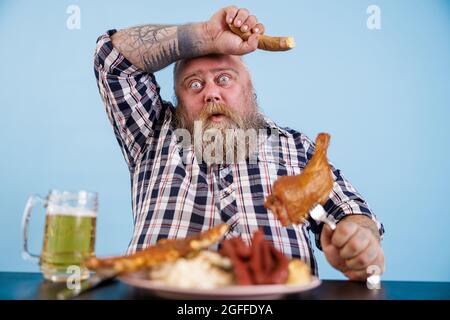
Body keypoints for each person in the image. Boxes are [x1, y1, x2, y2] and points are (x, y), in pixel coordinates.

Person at [94, 6, 385, 280]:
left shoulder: (295, 147)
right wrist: (206, 35)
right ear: (178, 100)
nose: (211, 93)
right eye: (194, 84)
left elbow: (350, 211)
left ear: (250, 92)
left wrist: (358, 239)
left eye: (224, 79)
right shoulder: (152, 133)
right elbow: (112, 59)